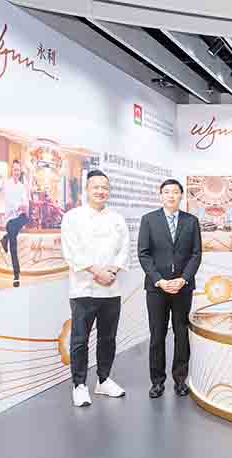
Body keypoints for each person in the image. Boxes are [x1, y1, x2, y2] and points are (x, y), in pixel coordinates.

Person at [61, 169, 129, 407]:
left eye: (105, 188)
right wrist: (97, 271)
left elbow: (124, 250)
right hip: (83, 289)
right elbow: (71, 252)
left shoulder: (117, 219)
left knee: (108, 338)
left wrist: (112, 271)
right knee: (80, 339)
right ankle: (79, 385)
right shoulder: (72, 217)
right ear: (87, 190)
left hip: (111, 288)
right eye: (96, 187)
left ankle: (103, 380)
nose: (101, 191)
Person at [138, 179, 202, 399]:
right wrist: (159, 280)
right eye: (166, 192)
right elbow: (143, 254)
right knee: (157, 335)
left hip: (182, 288)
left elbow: (196, 254)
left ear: (181, 195)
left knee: (181, 334)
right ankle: (157, 382)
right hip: (157, 288)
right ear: (161, 196)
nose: (171, 195)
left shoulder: (191, 221)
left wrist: (184, 279)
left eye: (175, 192)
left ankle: (180, 380)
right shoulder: (149, 220)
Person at [0, 160, 30, 287]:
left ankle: (5, 238)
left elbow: (25, 202)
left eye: (18, 170)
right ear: (12, 170)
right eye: (15, 169)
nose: (16, 172)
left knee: (26, 218)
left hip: (19, 217)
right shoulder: (7, 184)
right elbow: (10, 202)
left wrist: (23, 206)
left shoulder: (22, 186)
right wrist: (20, 206)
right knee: (13, 241)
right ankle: (16, 274)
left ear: (20, 171)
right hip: (9, 219)